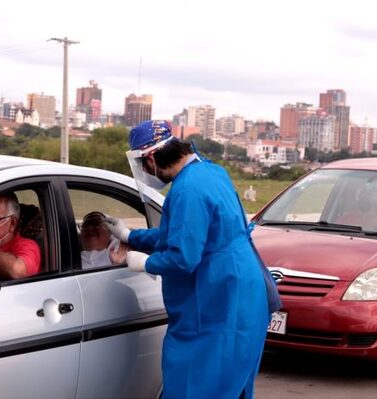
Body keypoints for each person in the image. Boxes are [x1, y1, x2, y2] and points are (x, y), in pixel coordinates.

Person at [105, 120, 271, 399]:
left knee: (196, 383)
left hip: (218, 298)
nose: (146, 172)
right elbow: (183, 233)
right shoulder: (210, 172)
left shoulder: (186, 190)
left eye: (143, 165)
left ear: (151, 157)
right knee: (230, 382)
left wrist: (142, 262)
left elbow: (183, 257)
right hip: (241, 291)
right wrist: (130, 235)